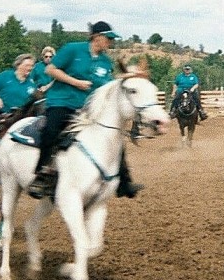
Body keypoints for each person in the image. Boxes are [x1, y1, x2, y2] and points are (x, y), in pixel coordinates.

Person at [27, 21, 143, 200]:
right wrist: (75, 82)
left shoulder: (105, 61)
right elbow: (51, 69)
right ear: (97, 37)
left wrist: (123, 79)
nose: (110, 43)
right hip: (62, 102)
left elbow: (106, 85)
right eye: (108, 38)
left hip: (87, 107)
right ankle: (42, 174)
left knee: (113, 137)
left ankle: (124, 182)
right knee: (51, 129)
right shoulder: (72, 49)